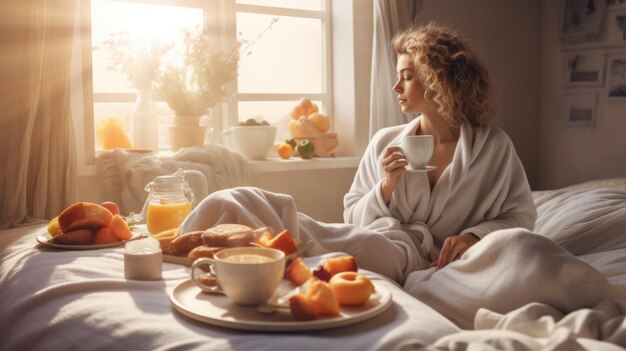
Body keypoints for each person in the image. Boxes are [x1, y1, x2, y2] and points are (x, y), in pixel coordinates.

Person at [343, 22, 536, 269]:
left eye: (407, 77)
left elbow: (522, 217)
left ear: (439, 81)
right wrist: (387, 185)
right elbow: (351, 219)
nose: (396, 87)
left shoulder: (493, 147)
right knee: (313, 230)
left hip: (459, 264)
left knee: (536, 256)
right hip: (393, 252)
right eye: (397, 77)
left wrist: (473, 237)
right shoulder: (384, 142)